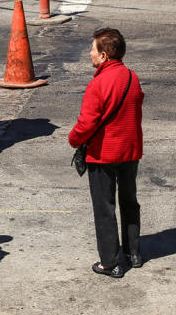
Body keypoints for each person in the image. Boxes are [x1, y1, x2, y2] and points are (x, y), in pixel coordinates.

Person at [68, 28, 145, 278]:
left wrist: (73, 140)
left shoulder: (98, 84)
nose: (90, 53)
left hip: (103, 154)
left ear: (103, 56)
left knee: (105, 207)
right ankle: (133, 253)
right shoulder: (132, 77)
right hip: (130, 151)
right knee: (129, 202)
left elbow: (86, 124)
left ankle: (110, 262)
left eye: (92, 49)